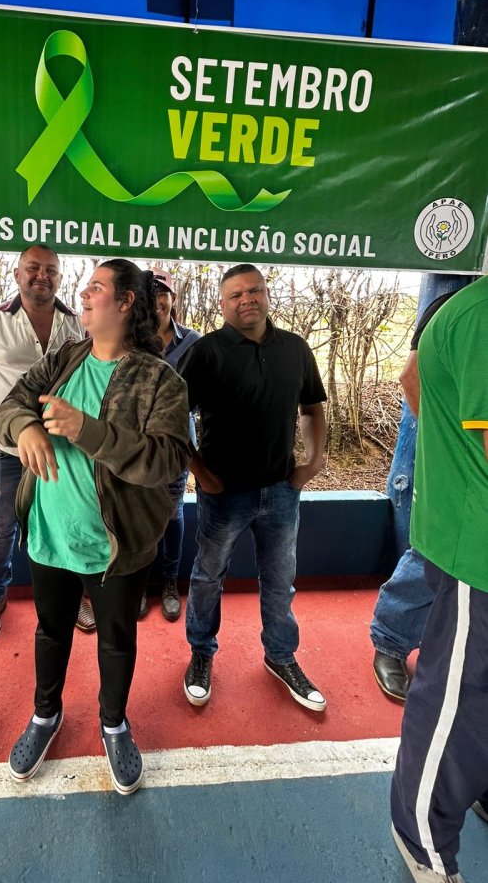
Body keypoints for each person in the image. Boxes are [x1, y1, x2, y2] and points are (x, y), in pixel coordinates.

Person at [0, 259, 190, 795]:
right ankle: (45, 715)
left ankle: (113, 723)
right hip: (48, 533)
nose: (82, 294)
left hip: (115, 544)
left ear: (125, 303)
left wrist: (89, 431)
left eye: (96, 288)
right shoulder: (65, 357)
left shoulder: (159, 379)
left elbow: (169, 459)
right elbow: (9, 404)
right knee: (50, 630)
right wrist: (25, 427)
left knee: (116, 640)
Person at [178, 263, 327, 711]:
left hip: (281, 490)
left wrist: (313, 461)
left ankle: (281, 657)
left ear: (267, 295)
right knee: (209, 575)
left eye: (255, 291)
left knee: (280, 580)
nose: (248, 300)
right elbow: (170, 416)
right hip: (224, 494)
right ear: (222, 305)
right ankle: (201, 654)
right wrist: (199, 471)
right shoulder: (207, 352)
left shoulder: (295, 349)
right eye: (236, 295)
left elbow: (312, 407)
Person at [390, 275, 488, 883]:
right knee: (456, 697)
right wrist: (453, 468)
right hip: (477, 550)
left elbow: (413, 377)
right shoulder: (479, 315)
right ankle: (419, 832)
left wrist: (448, 451)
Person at [0, 246, 86, 645]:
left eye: (51, 270)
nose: (42, 276)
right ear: (18, 274)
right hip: (5, 447)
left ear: (60, 277)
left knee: (67, 521)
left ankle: (77, 595)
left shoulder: (77, 325)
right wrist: (8, 408)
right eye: (33, 268)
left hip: (61, 448)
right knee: (0, 527)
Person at [371, 290, 460, 702]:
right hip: (459, 449)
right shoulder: (457, 301)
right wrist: (447, 444)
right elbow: (412, 375)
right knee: (434, 543)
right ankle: (391, 640)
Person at [138, 268, 200, 622]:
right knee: (140, 516)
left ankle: (169, 584)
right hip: (137, 444)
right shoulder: (129, 340)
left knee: (171, 515)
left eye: (162, 292)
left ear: (172, 299)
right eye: (149, 293)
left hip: (177, 442)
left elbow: (207, 398)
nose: (156, 300)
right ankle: (142, 584)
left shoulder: (192, 342)